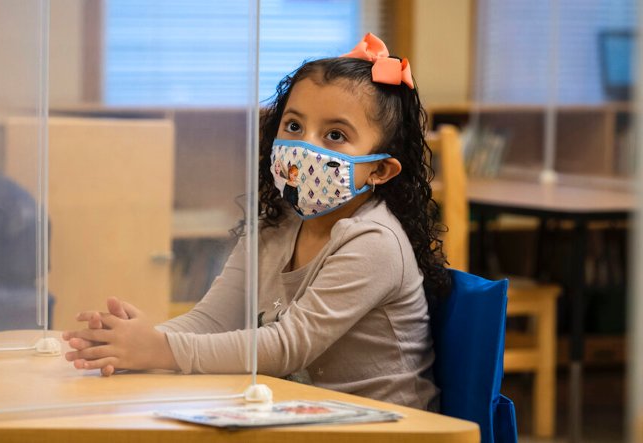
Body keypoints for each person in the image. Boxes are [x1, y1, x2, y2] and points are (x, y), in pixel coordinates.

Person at [62, 33, 451, 411]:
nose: (304, 147)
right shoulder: (277, 223)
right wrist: (136, 343)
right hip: (305, 413)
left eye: (334, 135)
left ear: (380, 169)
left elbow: (287, 346)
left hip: (386, 427)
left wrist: (159, 350)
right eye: (294, 126)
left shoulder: (374, 241)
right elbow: (212, 319)